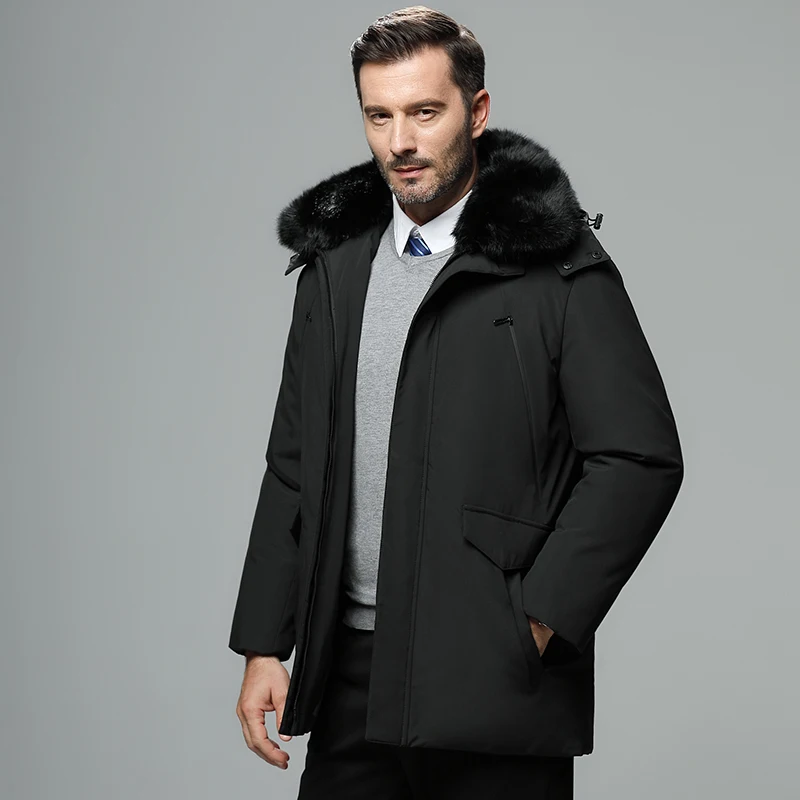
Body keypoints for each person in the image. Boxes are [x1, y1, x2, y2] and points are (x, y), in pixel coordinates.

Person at [229, 6, 684, 798]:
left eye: (424, 112)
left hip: (493, 677)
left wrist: (536, 622)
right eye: (379, 115)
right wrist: (265, 644)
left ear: (476, 112)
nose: (399, 141)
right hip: (349, 681)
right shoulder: (335, 272)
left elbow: (639, 457)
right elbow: (295, 464)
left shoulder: (559, 269)